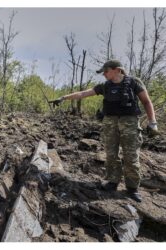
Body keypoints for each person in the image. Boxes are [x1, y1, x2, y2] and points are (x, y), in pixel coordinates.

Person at [52, 59, 158, 202]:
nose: (104, 74)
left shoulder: (134, 82)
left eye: (106, 71)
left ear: (117, 70)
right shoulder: (105, 86)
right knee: (111, 154)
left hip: (130, 123)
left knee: (131, 156)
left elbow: (146, 101)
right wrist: (63, 97)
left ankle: (132, 188)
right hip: (110, 123)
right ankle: (112, 182)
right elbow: (84, 93)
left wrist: (153, 122)